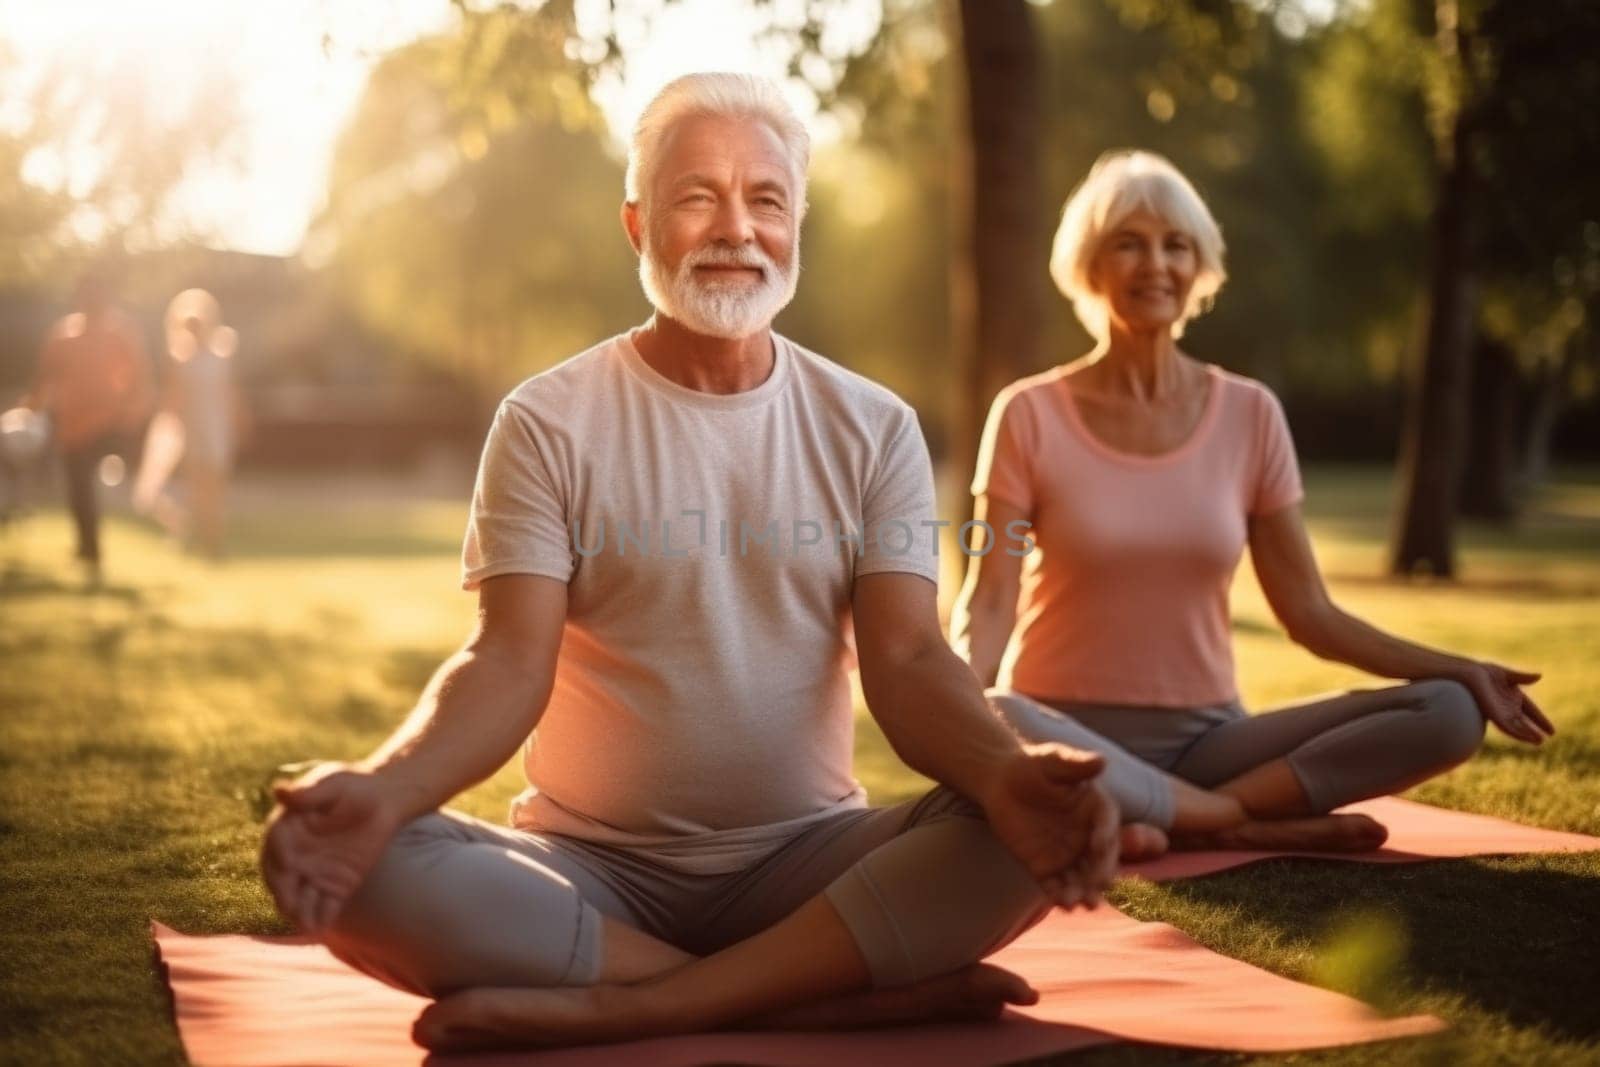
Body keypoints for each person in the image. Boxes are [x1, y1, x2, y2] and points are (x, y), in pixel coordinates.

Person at [260, 73, 1125, 1053]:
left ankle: (649, 1002)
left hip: (813, 866)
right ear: (637, 224)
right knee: (366, 861)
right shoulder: (546, 421)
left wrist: (1007, 777)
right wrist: (381, 787)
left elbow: (912, 661)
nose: (735, 228)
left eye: (765, 199)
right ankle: (813, 994)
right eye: (695, 196)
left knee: (1014, 817)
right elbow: (505, 663)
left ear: (798, 221)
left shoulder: (873, 426)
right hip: (586, 871)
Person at [951, 150, 1554, 846]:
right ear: (1091, 266)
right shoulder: (1026, 413)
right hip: (1059, 729)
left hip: (1210, 741)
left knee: (1448, 712)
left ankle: (1175, 815)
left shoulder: (1250, 414)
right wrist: (957, 707)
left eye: (1176, 245)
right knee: (993, 709)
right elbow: (989, 596)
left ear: (1199, 268)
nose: (1156, 264)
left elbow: (1309, 612)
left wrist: (1460, 668)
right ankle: (1227, 820)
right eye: (1129, 243)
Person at [18, 270, 153, 583]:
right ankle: (87, 547)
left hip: (108, 422)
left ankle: (99, 537)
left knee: (88, 481)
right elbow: (47, 376)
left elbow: (137, 374)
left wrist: (133, 408)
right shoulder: (64, 334)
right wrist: (32, 406)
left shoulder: (119, 333)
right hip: (71, 425)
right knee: (78, 488)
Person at [136, 289, 245, 557]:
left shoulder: (220, 357)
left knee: (215, 486)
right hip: (192, 428)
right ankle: (197, 537)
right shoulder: (180, 361)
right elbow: (173, 398)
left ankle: (214, 538)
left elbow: (229, 392)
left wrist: (238, 421)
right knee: (196, 486)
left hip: (215, 427)